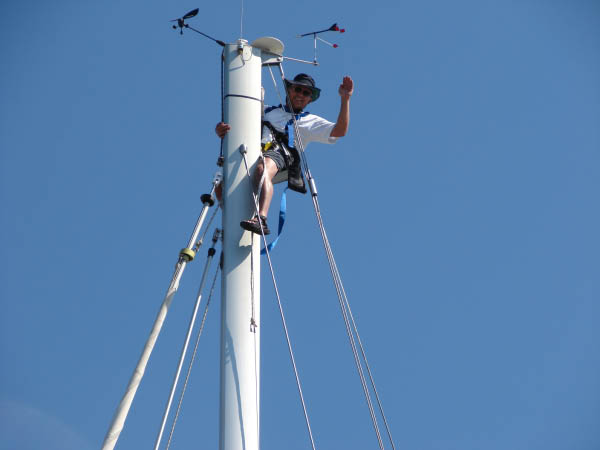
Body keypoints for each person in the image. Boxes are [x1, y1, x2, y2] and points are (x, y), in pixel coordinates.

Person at [216, 73, 354, 235]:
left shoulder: (309, 121)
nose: (300, 95)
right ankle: (231, 217)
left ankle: (261, 219)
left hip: (279, 155)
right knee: (220, 185)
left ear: (310, 99)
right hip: (251, 153)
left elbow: (340, 130)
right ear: (289, 90)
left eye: (306, 93)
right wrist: (221, 129)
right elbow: (237, 124)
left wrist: (345, 99)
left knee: (263, 169)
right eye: (297, 89)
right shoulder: (267, 111)